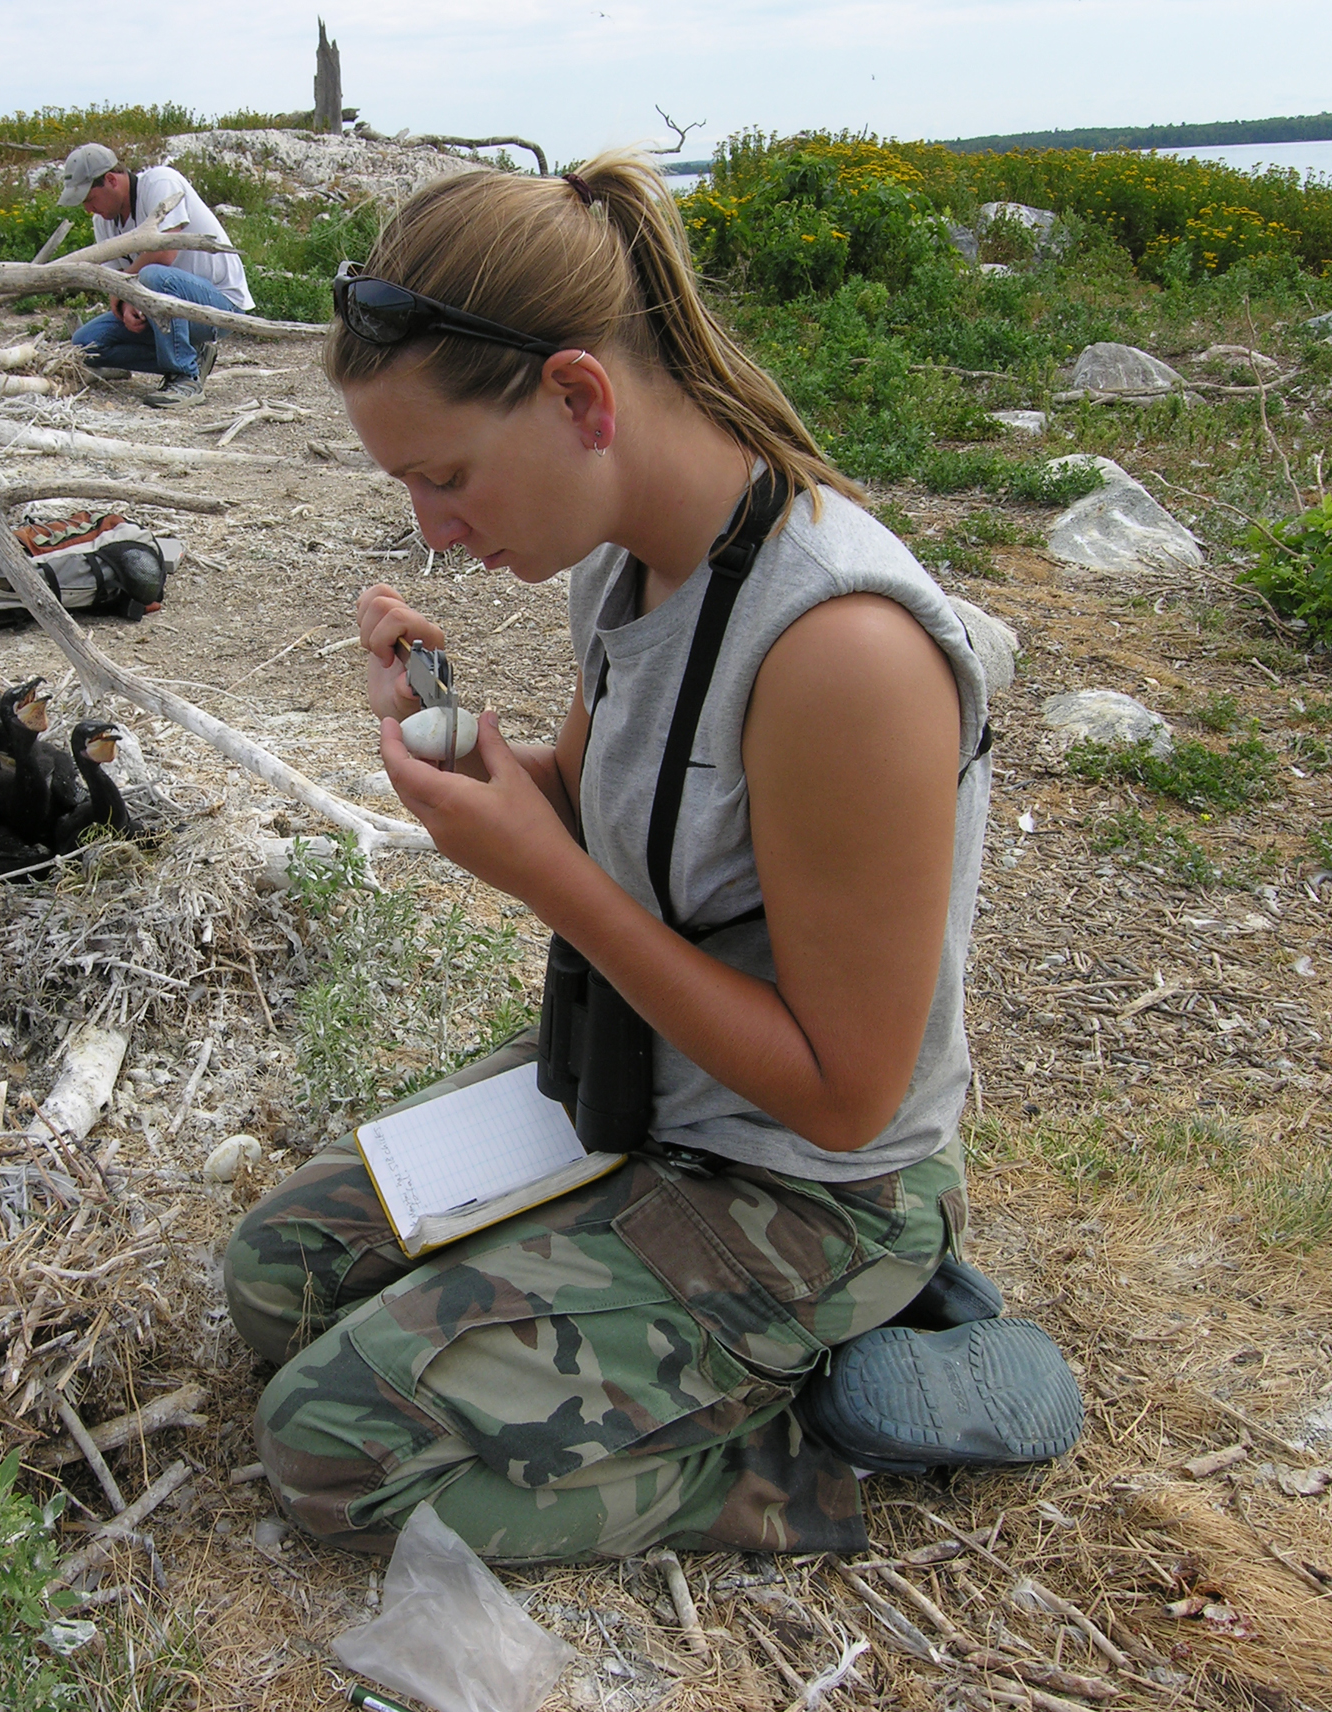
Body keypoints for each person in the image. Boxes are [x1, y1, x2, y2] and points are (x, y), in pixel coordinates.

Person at [221, 152, 1081, 1563]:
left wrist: (539, 874)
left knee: (329, 1455)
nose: (435, 531)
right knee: (272, 1284)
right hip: (634, 1079)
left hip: (807, 1187)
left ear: (578, 398)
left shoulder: (839, 649)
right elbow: (595, 811)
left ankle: (809, 1440)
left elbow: (848, 1098)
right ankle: (683, 1344)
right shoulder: (628, 563)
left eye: (445, 478)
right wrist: (478, 765)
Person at [57, 142, 253, 406]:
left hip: (220, 304)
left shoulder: (161, 181)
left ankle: (185, 378)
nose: (88, 209)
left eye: (90, 199)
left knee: (153, 275)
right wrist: (127, 304)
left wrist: (123, 289)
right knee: (86, 344)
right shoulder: (102, 223)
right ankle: (192, 356)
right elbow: (120, 282)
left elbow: (165, 253)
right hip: (161, 309)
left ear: (111, 180)